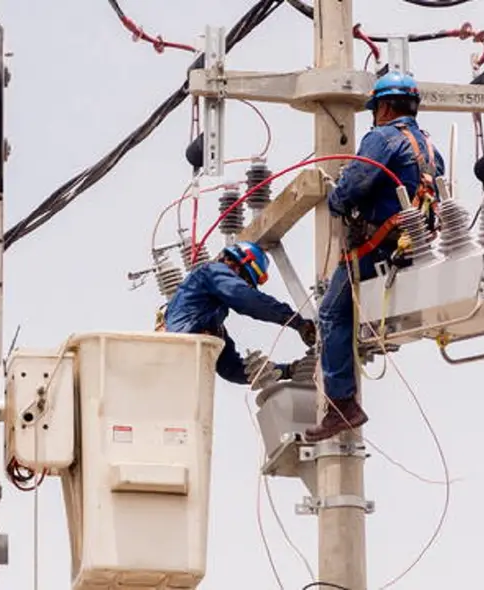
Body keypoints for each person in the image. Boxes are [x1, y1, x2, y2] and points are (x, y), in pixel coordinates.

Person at [309, 71, 445, 442]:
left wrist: (336, 199)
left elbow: (355, 185)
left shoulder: (382, 137)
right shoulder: (432, 148)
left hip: (377, 245)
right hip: (412, 246)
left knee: (331, 312)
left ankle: (341, 405)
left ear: (383, 107)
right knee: (361, 315)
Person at [163, 241, 317, 386]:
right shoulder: (211, 271)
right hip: (179, 350)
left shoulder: (208, 322)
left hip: (174, 363)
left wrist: (287, 371)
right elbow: (247, 299)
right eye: (245, 280)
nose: (244, 284)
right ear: (235, 265)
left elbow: (232, 369)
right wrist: (296, 322)